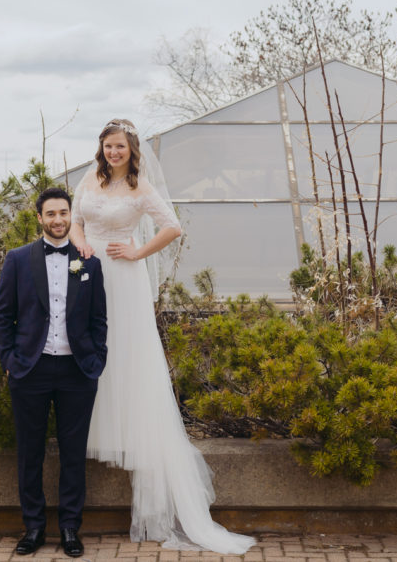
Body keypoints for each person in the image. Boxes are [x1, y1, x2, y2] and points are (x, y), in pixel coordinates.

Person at [69, 119, 255, 554]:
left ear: (132, 151)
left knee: (126, 354)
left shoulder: (141, 189)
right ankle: (95, 428)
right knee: (91, 349)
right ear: (101, 148)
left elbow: (173, 227)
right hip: (91, 274)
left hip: (124, 278)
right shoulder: (90, 179)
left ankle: (132, 434)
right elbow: (76, 220)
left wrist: (136, 251)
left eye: (120, 147)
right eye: (108, 145)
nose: (113, 152)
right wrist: (82, 246)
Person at [0, 187, 108, 557]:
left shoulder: (89, 261)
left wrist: (97, 360)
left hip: (78, 370)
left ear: (71, 215)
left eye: (64, 213)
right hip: (31, 369)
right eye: (51, 214)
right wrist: (10, 361)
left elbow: (98, 318)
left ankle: (71, 528)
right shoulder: (17, 259)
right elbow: (3, 316)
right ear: (39, 217)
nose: (58, 220)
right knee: (30, 452)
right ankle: (34, 528)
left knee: (74, 453)